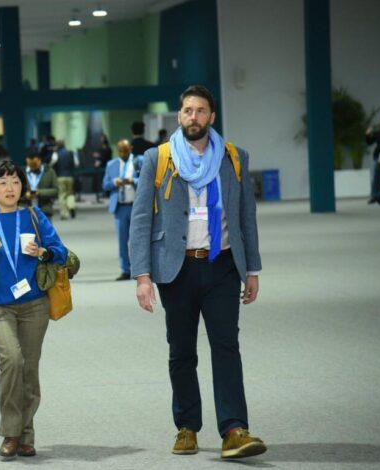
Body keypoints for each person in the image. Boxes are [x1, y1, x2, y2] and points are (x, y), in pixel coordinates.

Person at [130, 85, 266, 459]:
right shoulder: (158, 159)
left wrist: (251, 268)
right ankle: (187, 426)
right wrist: (142, 276)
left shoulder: (234, 158)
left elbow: (245, 217)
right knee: (181, 351)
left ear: (212, 116)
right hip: (177, 268)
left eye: (201, 111)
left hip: (222, 265)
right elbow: (141, 220)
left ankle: (234, 428)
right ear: (179, 116)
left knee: (226, 346)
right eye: (188, 110)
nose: (194, 117)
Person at [0, 160, 67, 459]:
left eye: (16, 181)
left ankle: (26, 435)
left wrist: (42, 251)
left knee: (29, 369)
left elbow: (60, 252)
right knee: (12, 361)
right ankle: (11, 431)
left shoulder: (34, 216)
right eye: (3, 182)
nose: (10, 188)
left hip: (34, 303)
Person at [102, 139, 136, 281]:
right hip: (120, 207)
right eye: (120, 151)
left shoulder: (139, 162)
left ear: (131, 149)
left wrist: (133, 181)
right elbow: (105, 185)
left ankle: (138, 269)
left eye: (126, 150)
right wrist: (114, 182)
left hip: (136, 207)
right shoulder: (111, 165)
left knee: (137, 240)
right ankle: (125, 270)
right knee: (122, 241)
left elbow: (148, 180)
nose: (123, 154)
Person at [23, 151, 58, 218]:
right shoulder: (22, 173)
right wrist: (25, 195)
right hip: (26, 212)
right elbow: (15, 192)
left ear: (39, 160)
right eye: (30, 164)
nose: (32, 166)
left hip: (45, 211)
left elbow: (56, 191)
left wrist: (39, 192)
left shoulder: (49, 172)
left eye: (34, 164)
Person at [50, 140, 78, 219]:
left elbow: (52, 164)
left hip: (60, 176)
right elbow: (76, 164)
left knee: (62, 195)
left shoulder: (56, 154)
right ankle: (71, 206)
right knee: (70, 193)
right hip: (70, 176)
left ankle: (64, 214)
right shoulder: (70, 153)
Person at [91, 133, 112, 202]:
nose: (101, 140)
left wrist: (99, 156)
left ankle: (106, 193)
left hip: (105, 167)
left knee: (106, 180)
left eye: (102, 138)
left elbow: (105, 157)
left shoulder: (107, 149)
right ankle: (104, 193)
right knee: (103, 181)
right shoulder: (104, 148)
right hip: (103, 167)